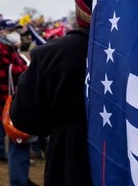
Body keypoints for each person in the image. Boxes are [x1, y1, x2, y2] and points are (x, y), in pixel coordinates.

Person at [10, 24, 92, 186]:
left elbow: (26, 118)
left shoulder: (53, 54)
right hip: (71, 153)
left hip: (70, 158)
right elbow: (25, 118)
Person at [0, 19, 30, 186]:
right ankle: (0, 154)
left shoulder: (9, 46)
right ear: (3, 31)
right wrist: (28, 69)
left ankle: (19, 176)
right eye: (11, 30)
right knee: (5, 128)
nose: (15, 33)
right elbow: (6, 72)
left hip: (11, 98)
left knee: (12, 135)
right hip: (4, 97)